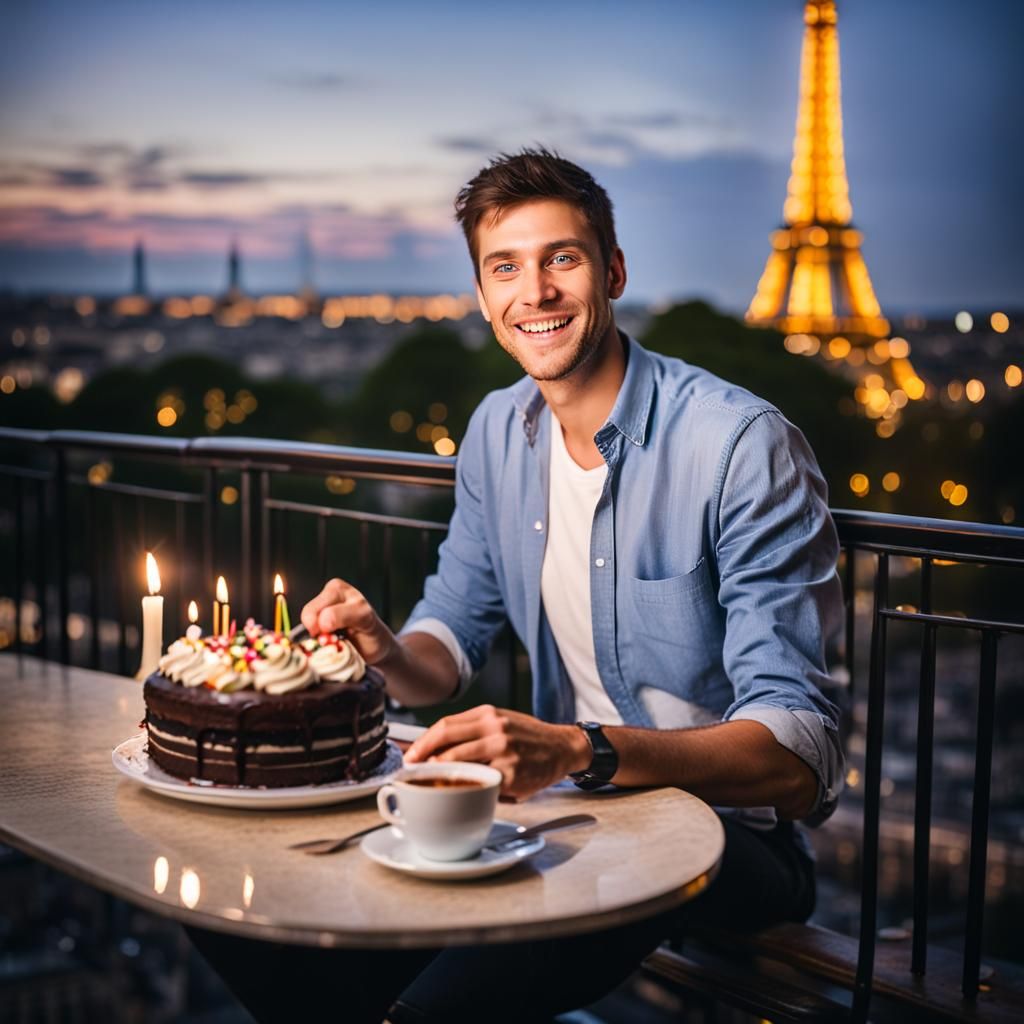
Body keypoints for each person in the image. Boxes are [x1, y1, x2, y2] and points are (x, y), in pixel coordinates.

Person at [189, 149, 844, 1023]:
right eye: (506, 266)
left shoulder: (737, 444)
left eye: (561, 259)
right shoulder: (499, 430)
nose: (534, 292)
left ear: (612, 270)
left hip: (728, 839)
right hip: (568, 810)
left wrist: (584, 750)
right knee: (237, 909)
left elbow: (800, 757)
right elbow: (446, 647)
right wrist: (386, 646)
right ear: (482, 291)